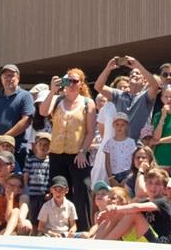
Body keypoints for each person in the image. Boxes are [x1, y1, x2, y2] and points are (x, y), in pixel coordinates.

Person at [40, 67, 96, 231]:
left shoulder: (87, 103)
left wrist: (82, 152)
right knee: (58, 190)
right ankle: (59, 227)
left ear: (81, 84)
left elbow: (91, 131)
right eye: (68, 80)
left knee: (82, 189)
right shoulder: (57, 100)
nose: (71, 84)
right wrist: (52, 91)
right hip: (57, 153)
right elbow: (43, 111)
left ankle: (84, 229)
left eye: (75, 81)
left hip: (77, 154)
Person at [0, 64, 35, 167]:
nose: (8, 79)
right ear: (1, 79)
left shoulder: (25, 96)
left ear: (18, 78)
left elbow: (26, 121)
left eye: (11, 75)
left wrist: (4, 138)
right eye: (5, 76)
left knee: (16, 179)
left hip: (17, 149)